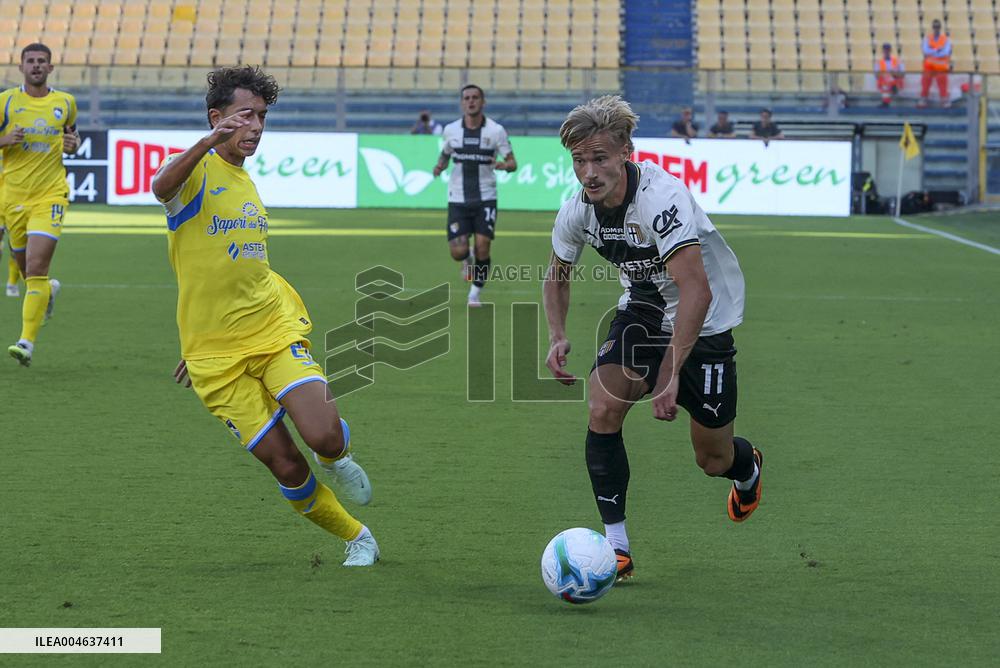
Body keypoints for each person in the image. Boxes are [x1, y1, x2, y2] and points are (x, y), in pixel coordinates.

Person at [151, 66, 379, 567]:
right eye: (245, 115)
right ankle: (357, 536)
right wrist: (199, 342)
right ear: (217, 118)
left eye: (262, 117)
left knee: (322, 435)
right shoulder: (193, 171)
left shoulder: (246, 184)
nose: (256, 126)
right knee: (286, 465)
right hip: (214, 357)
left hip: (270, 329)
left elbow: (240, 268)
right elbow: (160, 185)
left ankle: (336, 456)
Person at [542, 96, 761, 582]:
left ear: (625, 153)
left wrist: (668, 378)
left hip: (706, 321)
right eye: (579, 160)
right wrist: (557, 335)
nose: (589, 172)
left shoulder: (662, 199)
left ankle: (747, 471)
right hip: (643, 308)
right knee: (602, 406)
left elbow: (696, 290)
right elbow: (556, 274)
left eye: (599, 158)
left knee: (713, 458)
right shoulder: (577, 210)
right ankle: (615, 548)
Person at [0, 43, 80, 366]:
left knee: (35, 269)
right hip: (13, 198)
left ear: (50, 67)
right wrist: (4, 141)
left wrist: (74, 146)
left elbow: (73, 138)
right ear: (20, 67)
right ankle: (48, 292)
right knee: (25, 267)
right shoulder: (5, 102)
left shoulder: (65, 103)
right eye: (30, 61)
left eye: (41, 61)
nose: (36, 66)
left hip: (51, 196)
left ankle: (26, 342)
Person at [432, 84, 516, 306]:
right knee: (457, 252)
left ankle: (474, 293)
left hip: (485, 197)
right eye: (467, 98)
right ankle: (466, 259)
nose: (471, 101)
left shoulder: (496, 131)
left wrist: (501, 165)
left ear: (483, 102)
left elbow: (512, 163)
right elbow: (445, 153)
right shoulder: (451, 130)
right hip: (458, 198)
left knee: (483, 247)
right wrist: (440, 166)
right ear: (462, 103)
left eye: (475, 97)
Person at [919, 19, 951, 108]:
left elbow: (946, 52)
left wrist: (932, 51)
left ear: (940, 28)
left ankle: (944, 100)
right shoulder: (928, 38)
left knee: (942, 83)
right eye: (934, 27)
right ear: (933, 28)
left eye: (937, 27)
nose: (936, 29)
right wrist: (937, 50)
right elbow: (925, 50)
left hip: (941, 67)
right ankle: (923, 99)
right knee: (925, 82)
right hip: (929, 66)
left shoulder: (945, 39)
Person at [875, 43, 905, 107]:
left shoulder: (898, 61)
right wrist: (886, 75)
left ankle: (886, 101)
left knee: (887, 81)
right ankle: (887, 99)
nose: (886, 51)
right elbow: (877, 75)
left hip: (896, 80)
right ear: (882, 51)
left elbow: (902, 73)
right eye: (885, 50)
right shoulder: (878, 62)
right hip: (884, 81)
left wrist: (894, 74)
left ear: (890, 50)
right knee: (885, 82)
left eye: (888, 50)